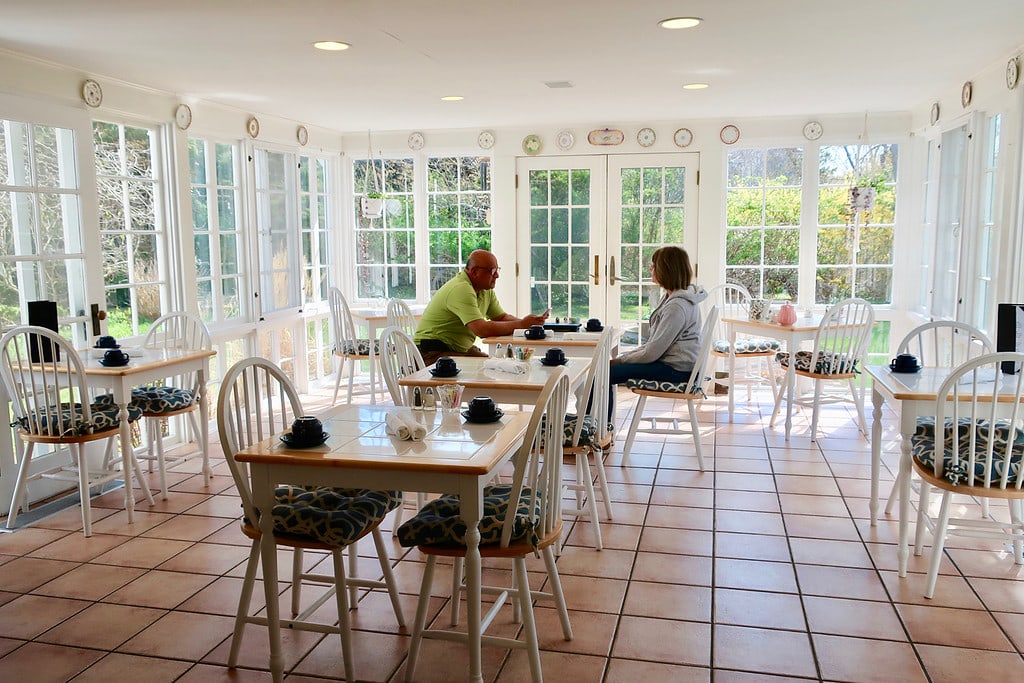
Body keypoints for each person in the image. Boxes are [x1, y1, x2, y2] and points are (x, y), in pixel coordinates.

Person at [608, 246, 707, 417]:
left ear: (667, 270)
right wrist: (623, 359)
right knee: (606, 371)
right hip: (677, 365)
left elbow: (652, 352)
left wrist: (621, 360)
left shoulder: (677, 306)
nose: (651, 269)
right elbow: (652, 345)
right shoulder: (674, 297)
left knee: (604, 374)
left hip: (677, 370)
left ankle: (594, 430)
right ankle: (599, 427)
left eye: (654, 266)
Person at [414, 249, 549, 365]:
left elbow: (501, 317)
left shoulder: (485, 289)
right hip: (431, 353)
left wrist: (530, 326)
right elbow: (481, 329)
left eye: (497, 269)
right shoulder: (461, 289)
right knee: (491, 371)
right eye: (492, 270)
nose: (497, 275)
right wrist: (521, 324)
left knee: (496, 367)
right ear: (474, 272)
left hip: (456, 350)